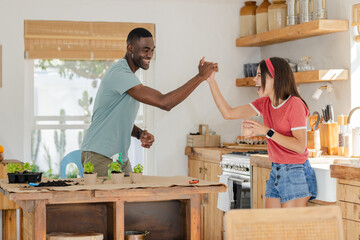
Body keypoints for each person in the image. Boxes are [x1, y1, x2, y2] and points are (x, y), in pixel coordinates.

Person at [81, 27, 218, 176]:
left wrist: (139, 133)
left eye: (152, 50)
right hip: (99, 154)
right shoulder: (120, 73)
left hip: (117, 157)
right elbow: (164, 102)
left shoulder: (129, 78)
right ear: (130, 48)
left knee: (130, 197)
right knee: (113, 199)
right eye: (145, 50)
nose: (150, 55)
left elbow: (116, 119)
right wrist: (200, 77)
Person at [207, 57, 317, 208]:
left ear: (274, 78)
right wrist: (211, 81)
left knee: (289, 229)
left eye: (259, 75)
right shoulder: (265, 103)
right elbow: (228, 113)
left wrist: (267, 132)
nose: (254, 79)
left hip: (295, 171)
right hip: (276, 170)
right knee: (270, 227)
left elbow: (299, 146)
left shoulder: (295, 104)